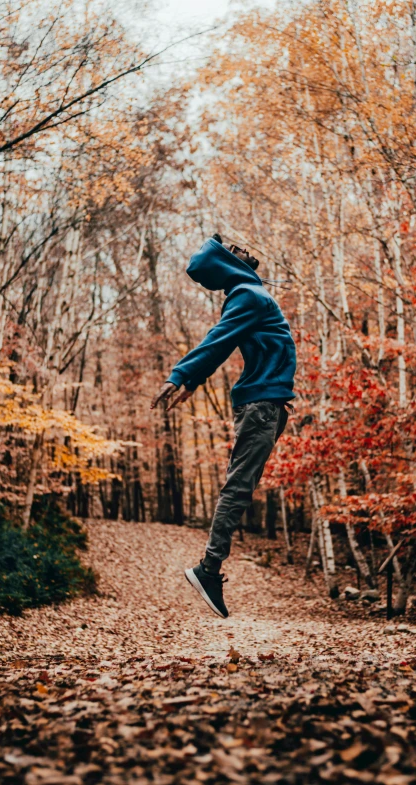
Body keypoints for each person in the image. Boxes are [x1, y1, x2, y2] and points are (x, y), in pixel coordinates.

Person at [150, 234, 296, 618]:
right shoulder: (250, 295)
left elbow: (225, 343)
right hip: (261, 406)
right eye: (234, 248)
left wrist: (192, 381)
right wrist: (181, 374)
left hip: (265, 405)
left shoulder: (248, 295)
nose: (245, 248)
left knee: (240, 485)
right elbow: (216, 341)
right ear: (226, 261)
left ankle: (209, 568)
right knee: (239, 486)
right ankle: (208, 569)